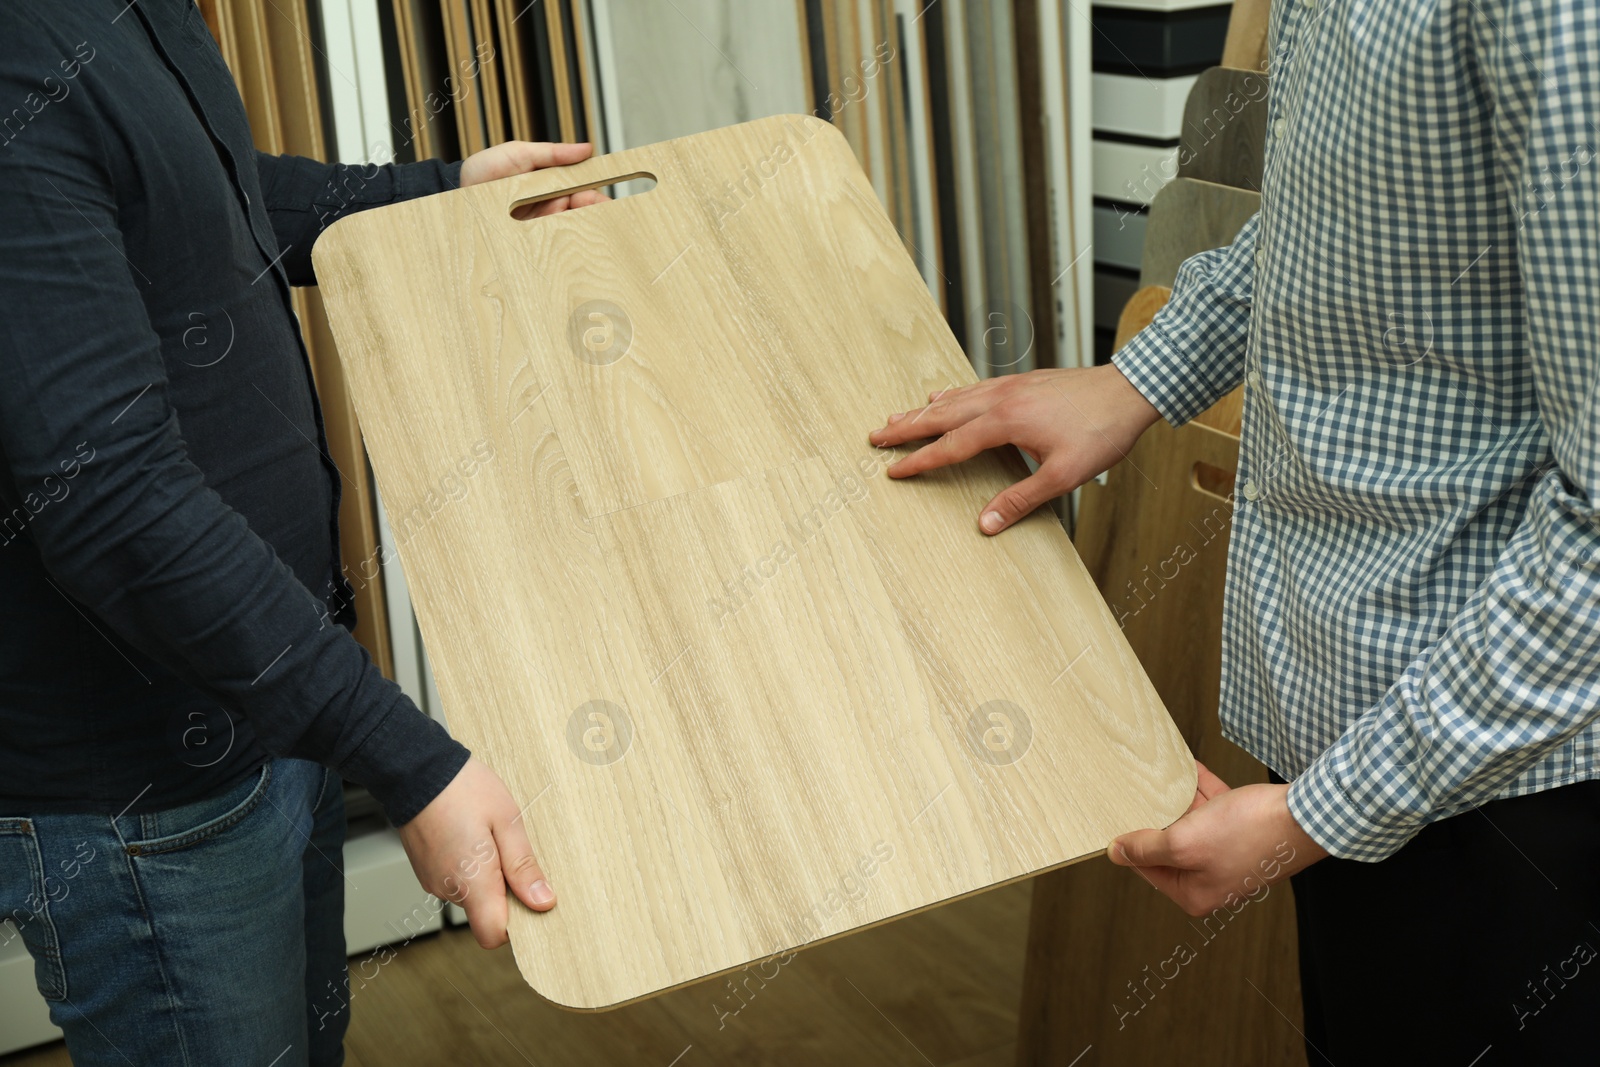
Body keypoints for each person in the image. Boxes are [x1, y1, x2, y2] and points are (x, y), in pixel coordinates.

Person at [871, 0, 1597, 1062]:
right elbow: (1345, 211)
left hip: (1506, 778)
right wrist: (1139, 377)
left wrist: (1319, 813)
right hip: (1364, 740)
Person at [0, 4, 600, 1064]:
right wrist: (408, 759)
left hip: (276, 702)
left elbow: (203, 196)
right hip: (154, 793)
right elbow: (112, 504)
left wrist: (442, 194)